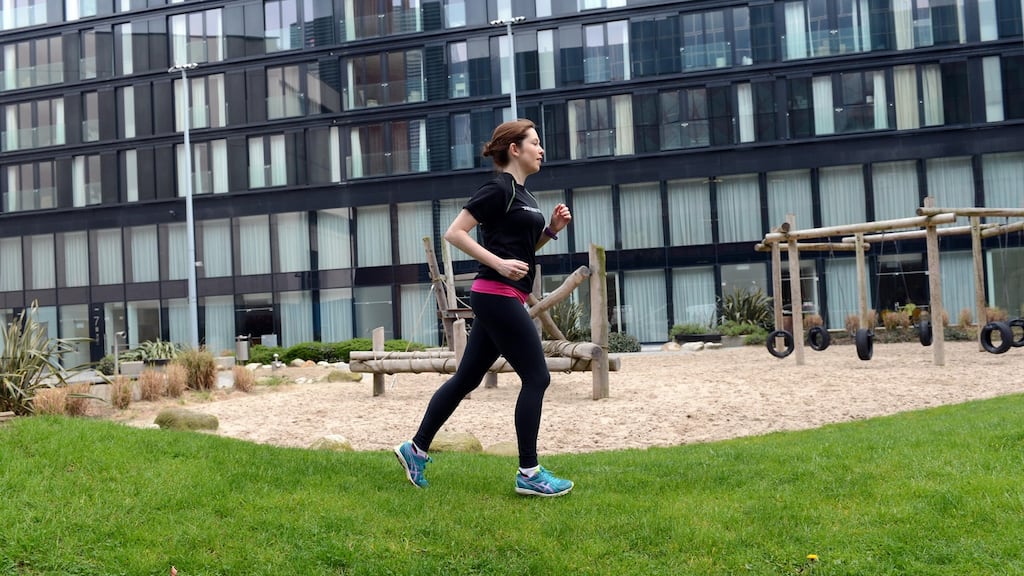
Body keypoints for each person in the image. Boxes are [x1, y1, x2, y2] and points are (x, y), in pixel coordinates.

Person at [394, 119, 574, 497]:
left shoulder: (525, 196)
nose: (541, 150)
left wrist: (551, 230)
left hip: (505, 294)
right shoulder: (498, 188)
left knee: (466, 378)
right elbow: (454, 232)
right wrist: (497, 263)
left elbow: (520, 254)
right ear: (515, 149)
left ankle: (415, 449)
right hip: (496, 294)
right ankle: (529, 473)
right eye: (535, 143)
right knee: (538, 378)